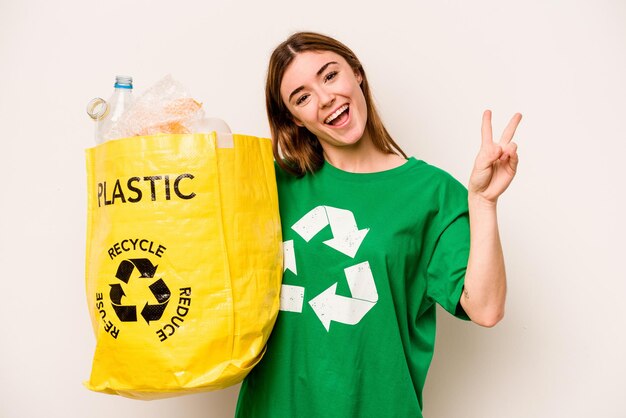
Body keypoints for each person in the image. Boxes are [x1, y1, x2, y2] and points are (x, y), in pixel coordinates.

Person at [235, 31, 522, 418]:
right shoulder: (268, 185)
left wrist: (485, 203)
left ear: (357, 74)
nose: (324, 99)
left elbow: (485, 308)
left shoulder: (430, 193)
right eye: (302, 97)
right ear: (294, 119)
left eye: (330, 75)